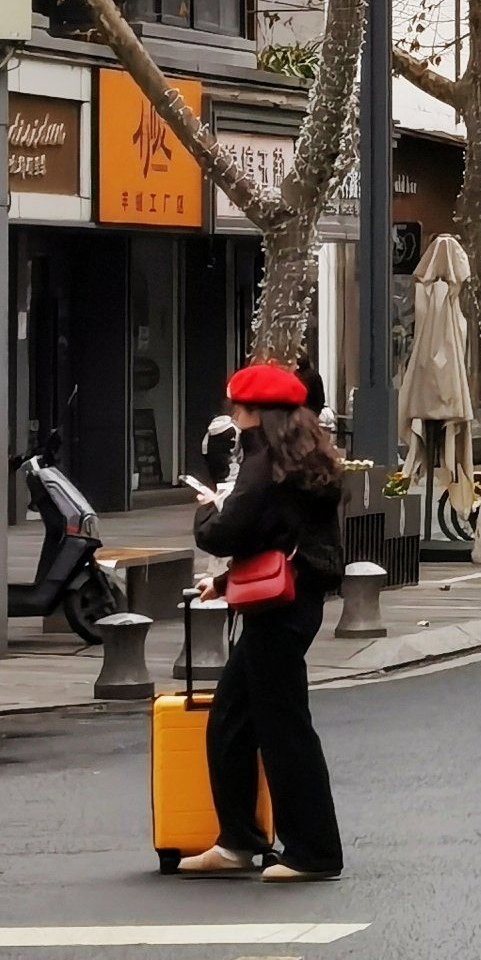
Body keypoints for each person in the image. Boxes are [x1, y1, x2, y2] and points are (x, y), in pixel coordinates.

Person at [181, 361, 345, 880]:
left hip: (281, 609)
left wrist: (206, 506)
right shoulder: (300, 457)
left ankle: (313, 852)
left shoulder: (262, 462)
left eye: (237, 405)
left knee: (283, 729)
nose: (232, 413)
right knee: (233, 718)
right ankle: (238, 840)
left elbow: (226, 533)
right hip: (292, 600)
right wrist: (227, 585)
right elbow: (277, 539)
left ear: (253, 411)